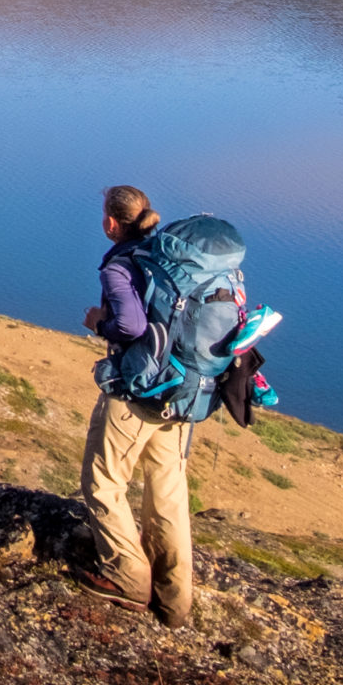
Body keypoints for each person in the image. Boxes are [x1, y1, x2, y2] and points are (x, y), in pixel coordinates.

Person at [76, 183, 195, 629]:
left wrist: (98, 322)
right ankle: (175, 599)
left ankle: (127, 575)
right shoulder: (166, 257)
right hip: (180, 391)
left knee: (103, 481)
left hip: (137, 390)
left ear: (110, 222)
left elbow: (128, 324)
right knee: (166, 492)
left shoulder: (120, 265)